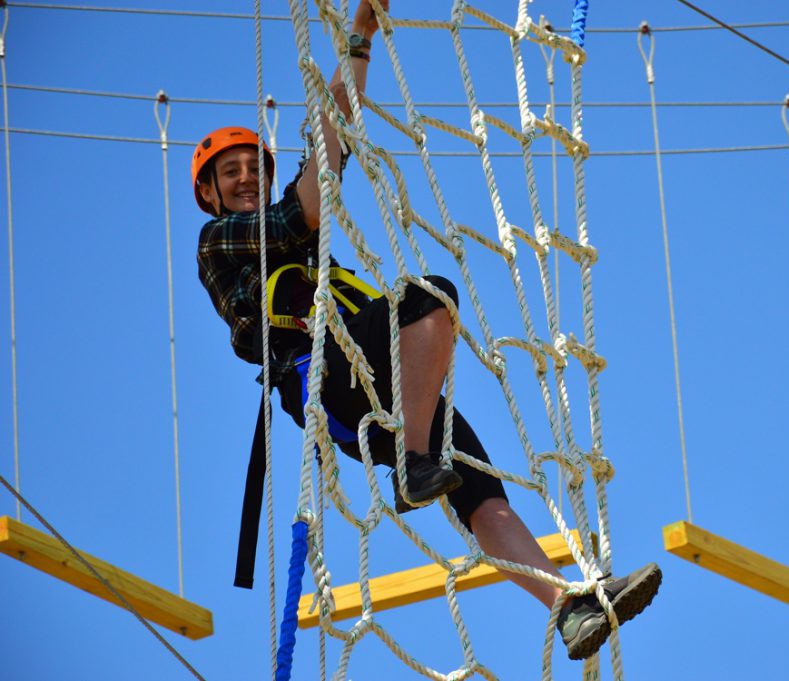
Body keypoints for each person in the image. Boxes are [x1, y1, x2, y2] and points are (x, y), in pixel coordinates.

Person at [193, 0, 660, 661]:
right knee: (427, 298)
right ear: (210, 193)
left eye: (253, 167)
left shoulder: (295, 214)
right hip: (325, 372)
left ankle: (569, 606)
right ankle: (415, 463)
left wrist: (361, 34)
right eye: (229, 172)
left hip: (386, 385)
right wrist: (314, 173)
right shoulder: (220, 242)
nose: (244, 178)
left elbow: (330, 142)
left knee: (484, 497)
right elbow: (303, 208)